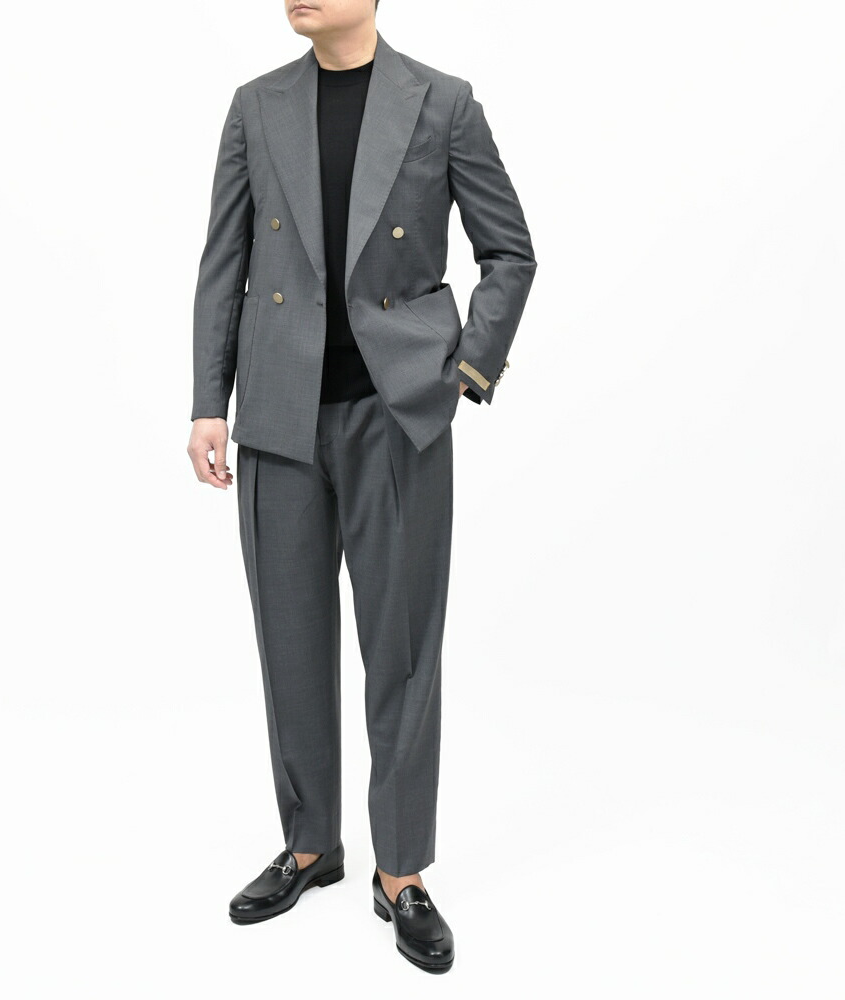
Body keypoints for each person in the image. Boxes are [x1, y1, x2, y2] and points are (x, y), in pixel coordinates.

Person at [187, 0, 536, 974]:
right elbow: (224, 261)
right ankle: (310, 846)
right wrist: (209, 400)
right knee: (290, 639)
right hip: (278, 416)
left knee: (403, 648)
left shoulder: (443, 103)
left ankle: (401, 871)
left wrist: (466, 369)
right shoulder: (255, 105)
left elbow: (509, 250)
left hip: (398, 414)